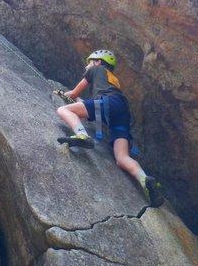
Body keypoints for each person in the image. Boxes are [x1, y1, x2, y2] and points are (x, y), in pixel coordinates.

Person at [55, 50, 164, 207]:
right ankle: (145, 180)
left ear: (98, 62)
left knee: (64, 110)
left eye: (89, 62)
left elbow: (73, 94)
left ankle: (81, 135)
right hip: (122, 111)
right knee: (122, 158)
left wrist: (62, 94)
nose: (87, 66)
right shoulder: (113, 80)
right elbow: (91, 105)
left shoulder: (95, 70)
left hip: (107, 103)